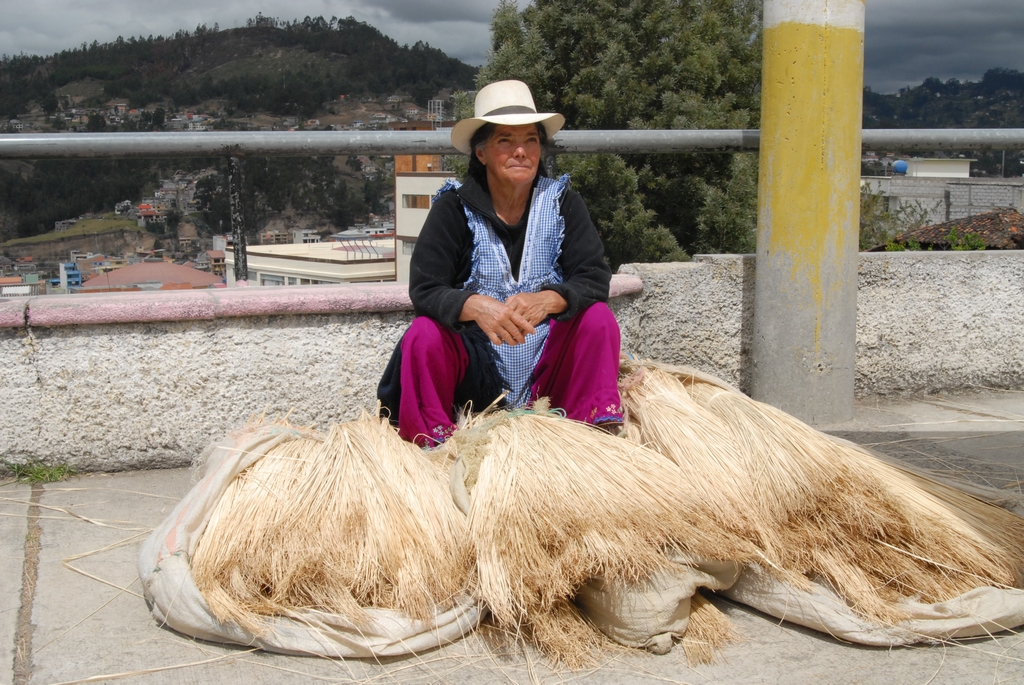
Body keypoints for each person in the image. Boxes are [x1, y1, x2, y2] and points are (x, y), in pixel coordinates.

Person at [378, 80, 623, 447]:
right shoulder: (453, 209)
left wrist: (550, 299)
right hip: (478, 372)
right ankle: (434, 444)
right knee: (423, 336)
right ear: (481, 153)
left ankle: (586, 433)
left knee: (598, 319)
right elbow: (426, 289)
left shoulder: (562, 203)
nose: (521, 151)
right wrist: (475, 306)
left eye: (531, 140)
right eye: (505, 141)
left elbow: (593, 277)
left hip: (547, 367)